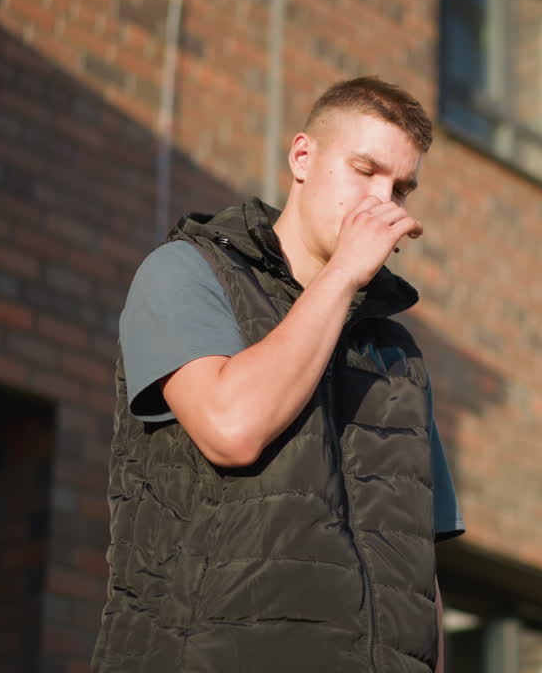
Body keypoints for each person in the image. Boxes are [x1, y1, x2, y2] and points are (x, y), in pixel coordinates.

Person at [92, 77, 464, 673]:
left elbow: (420, 572)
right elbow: (231, 428)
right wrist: (342, 274)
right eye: (365, 171)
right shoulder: (189, 272)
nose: (383, 202)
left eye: (400, 188)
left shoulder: (397, 354)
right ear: (302, 156)